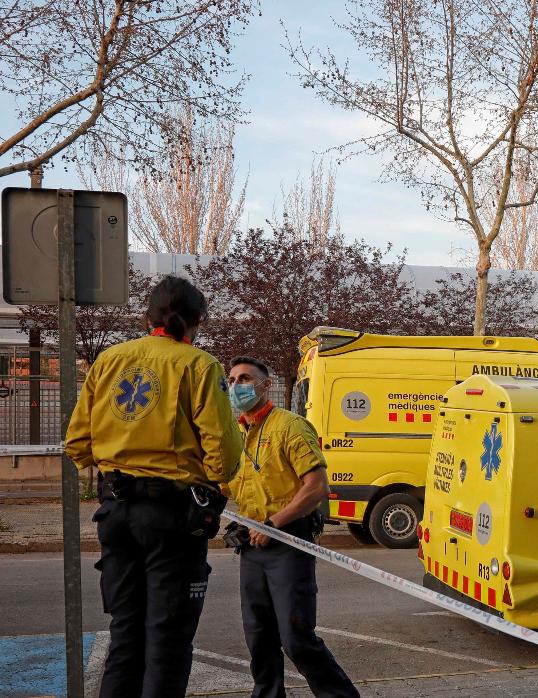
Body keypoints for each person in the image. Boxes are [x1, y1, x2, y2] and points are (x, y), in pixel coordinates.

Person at [65, 276, 243, 698]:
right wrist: (212, 480)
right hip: (171, 518)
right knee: (168, 638)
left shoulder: (108, 361)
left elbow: (76, 444)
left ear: (147, 317)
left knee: (125, 633)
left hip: (116, 512)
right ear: (197, 319)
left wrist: (113, 461)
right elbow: (224, 452)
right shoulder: (199, 365)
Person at [224, 356, 358, 698]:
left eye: (244, 379)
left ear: (266, 386)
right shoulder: (235, 433)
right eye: (232, 379)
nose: (237, 386)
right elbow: (224, 485)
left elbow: (316, 486)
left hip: (288, 543)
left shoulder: (290, 426)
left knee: (296, 638)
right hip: (252, 547)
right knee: (259, 637)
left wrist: (274, 524)